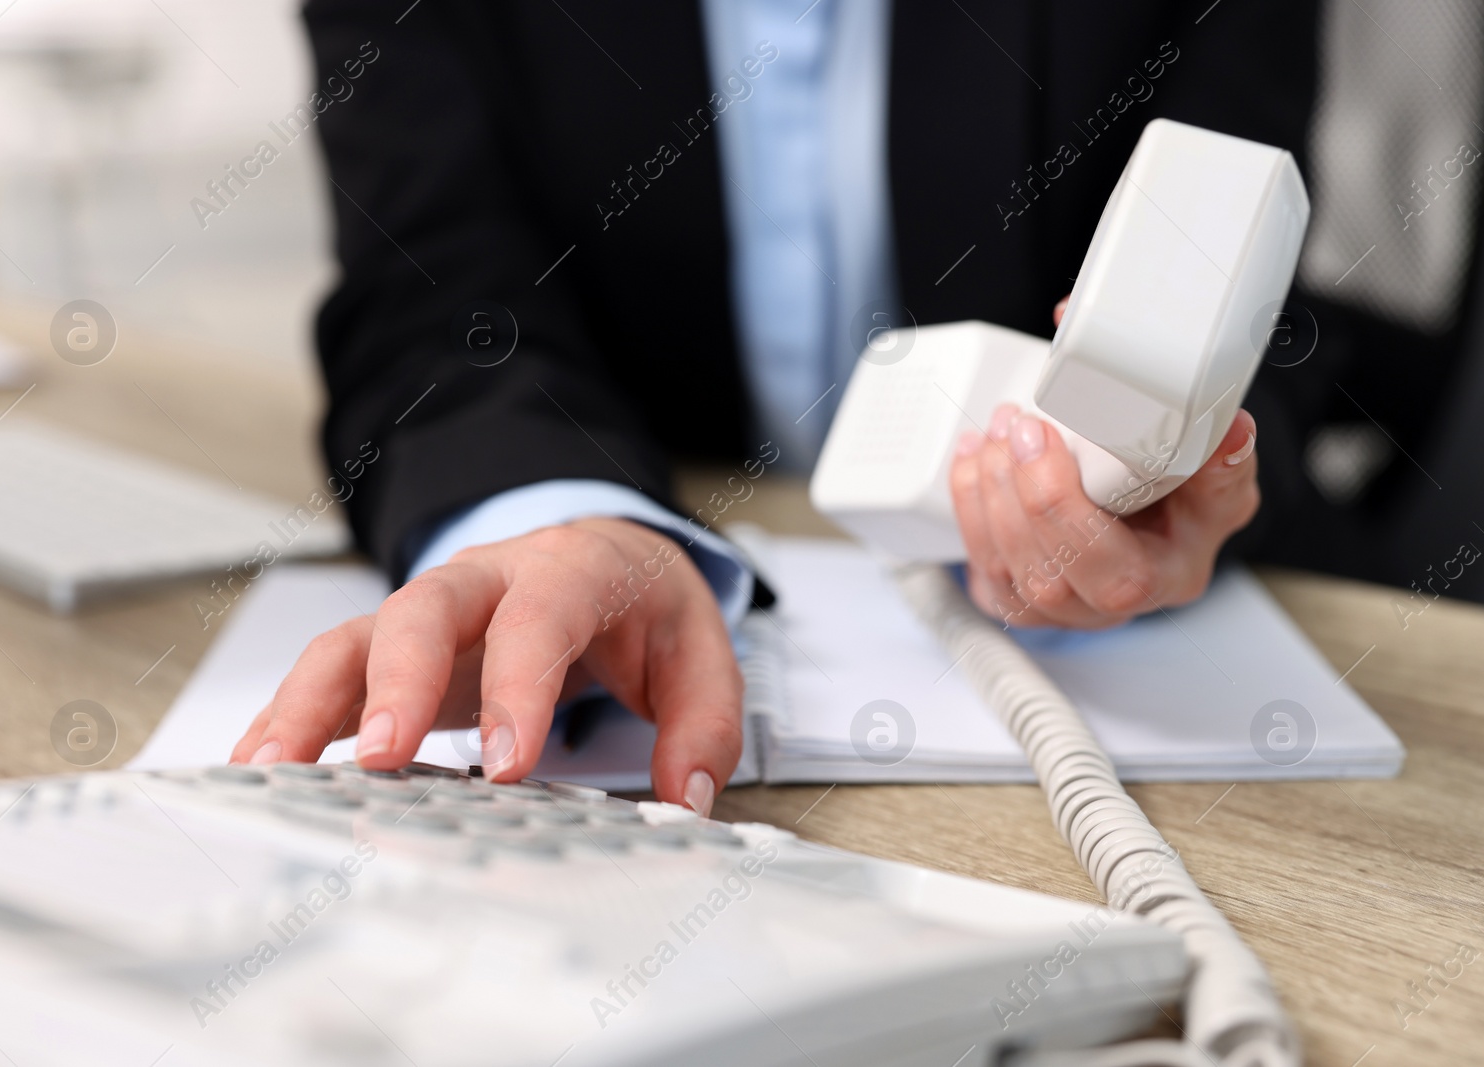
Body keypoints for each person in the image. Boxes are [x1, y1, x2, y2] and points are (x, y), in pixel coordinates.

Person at [230, 0, 1317, 815]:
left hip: (1083, 676)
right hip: (667, 516)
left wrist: (1169, 473)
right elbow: (428, 290)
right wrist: (541, 512)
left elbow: (1263, 283)